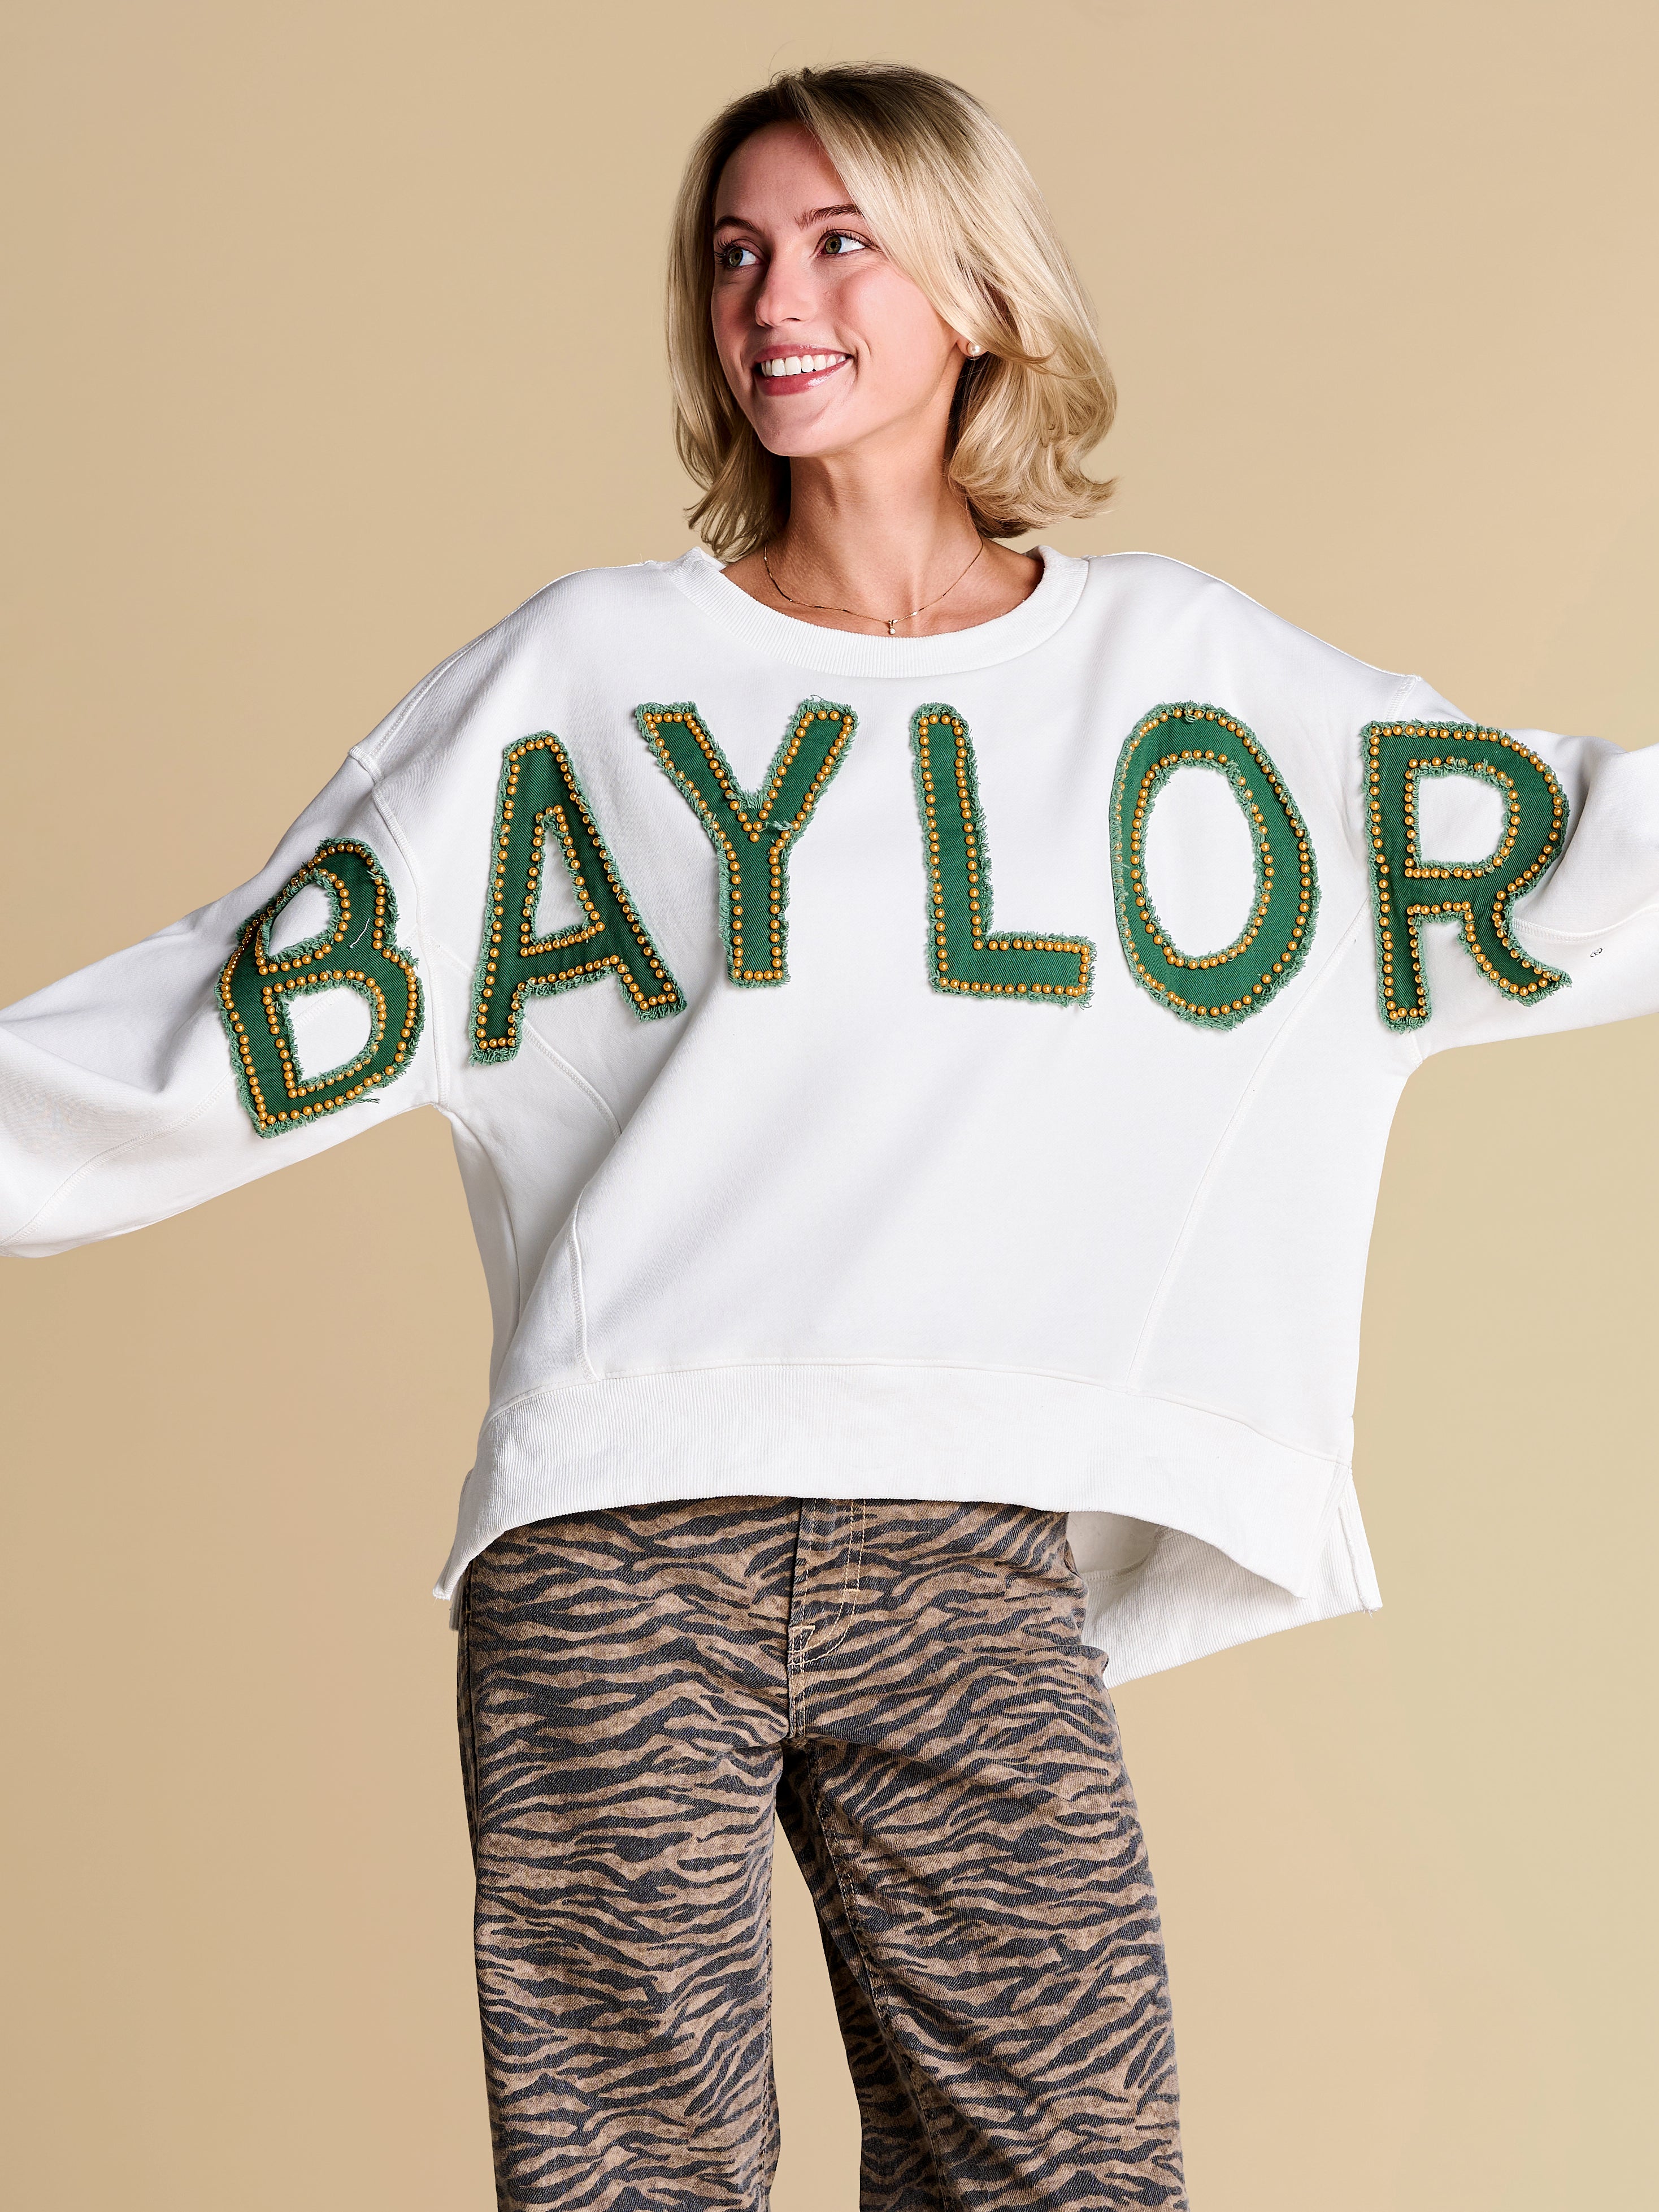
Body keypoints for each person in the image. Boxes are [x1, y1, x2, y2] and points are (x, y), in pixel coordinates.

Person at [2, 56, 1654, 2212]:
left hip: (969, 1540)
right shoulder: (593, 674)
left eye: (841, 243)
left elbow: (1564, 853)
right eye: (736, 255)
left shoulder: (1186, 680)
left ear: (979, 292)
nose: (775, 302)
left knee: (1073, 2165)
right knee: (633, 2178)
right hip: (618, 1537)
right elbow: (241, 1012)